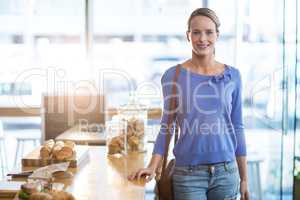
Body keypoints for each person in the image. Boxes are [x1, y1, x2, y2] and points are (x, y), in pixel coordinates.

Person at [128, 7, 249, 200]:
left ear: (217, 35)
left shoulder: (233, 76)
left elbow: (238, 126)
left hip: (227, 173)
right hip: (187, 175)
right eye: (196, 32)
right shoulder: (172, 76)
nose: (203, 39)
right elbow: (166, 127)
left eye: (209, 32)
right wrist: (152, 166)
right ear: (188, 35)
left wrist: (244, 178)